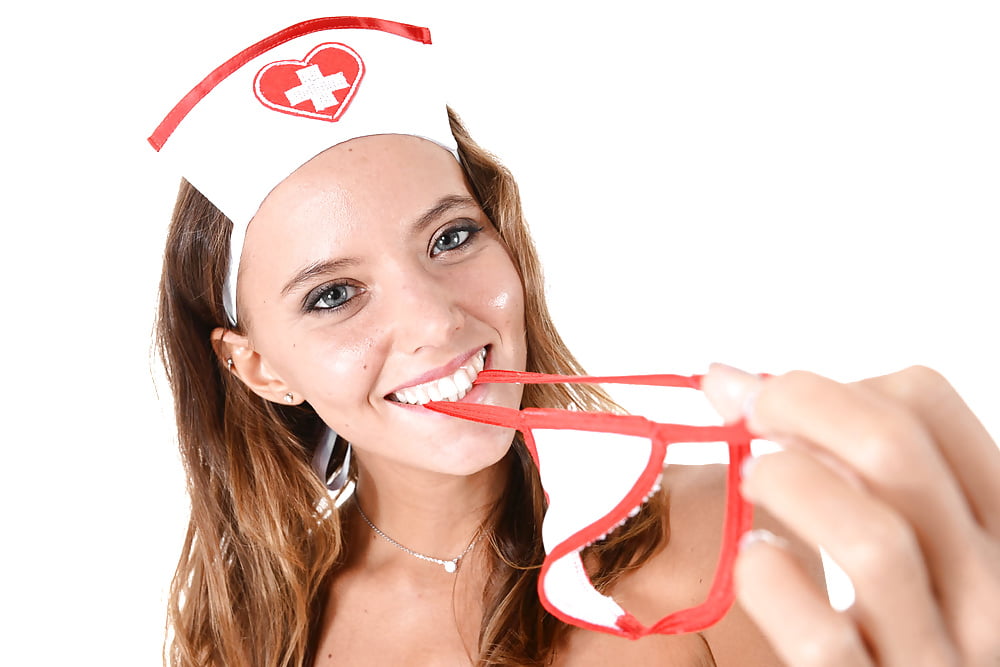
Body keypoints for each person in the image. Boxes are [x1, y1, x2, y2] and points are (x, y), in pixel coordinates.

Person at [152, 16, 1000, 667]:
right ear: (256, 365)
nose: (436, 321)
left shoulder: (721, 530)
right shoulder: (245, 635)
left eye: (451, 238)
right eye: (334, 295)